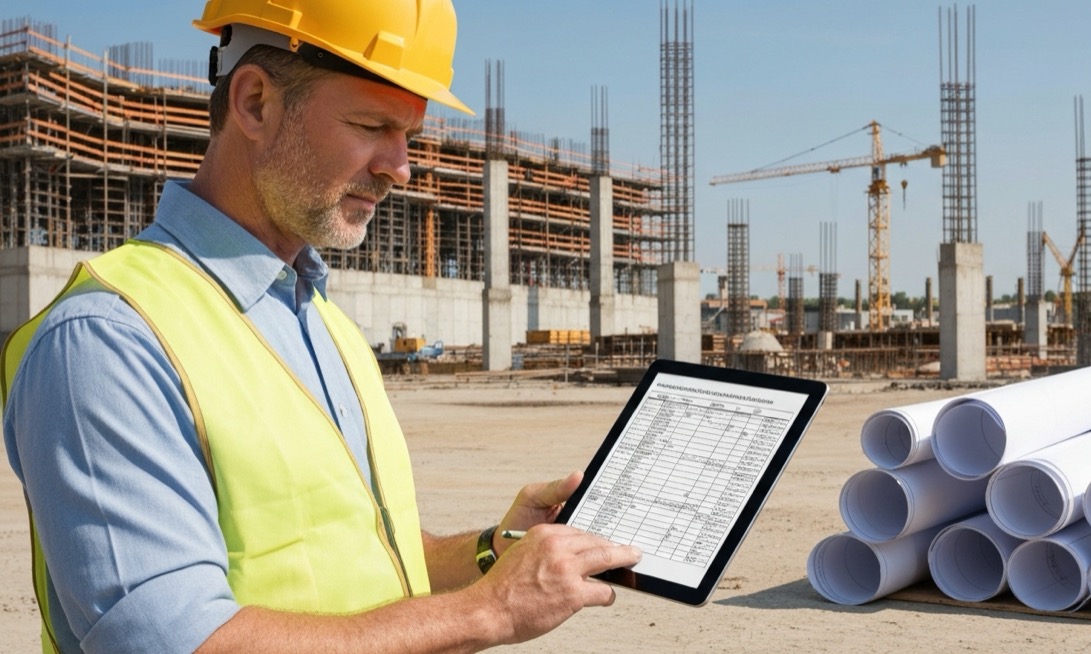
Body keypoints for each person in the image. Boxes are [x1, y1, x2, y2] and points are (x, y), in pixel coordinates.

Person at [1, 1, 641, 651]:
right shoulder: (109, 338)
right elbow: (174, 640)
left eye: (408, 135)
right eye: (372, 125)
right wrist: (491, 610)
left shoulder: (322, 321)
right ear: (255, 103)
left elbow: (364, 556)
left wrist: (495, 552)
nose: (400, 168)